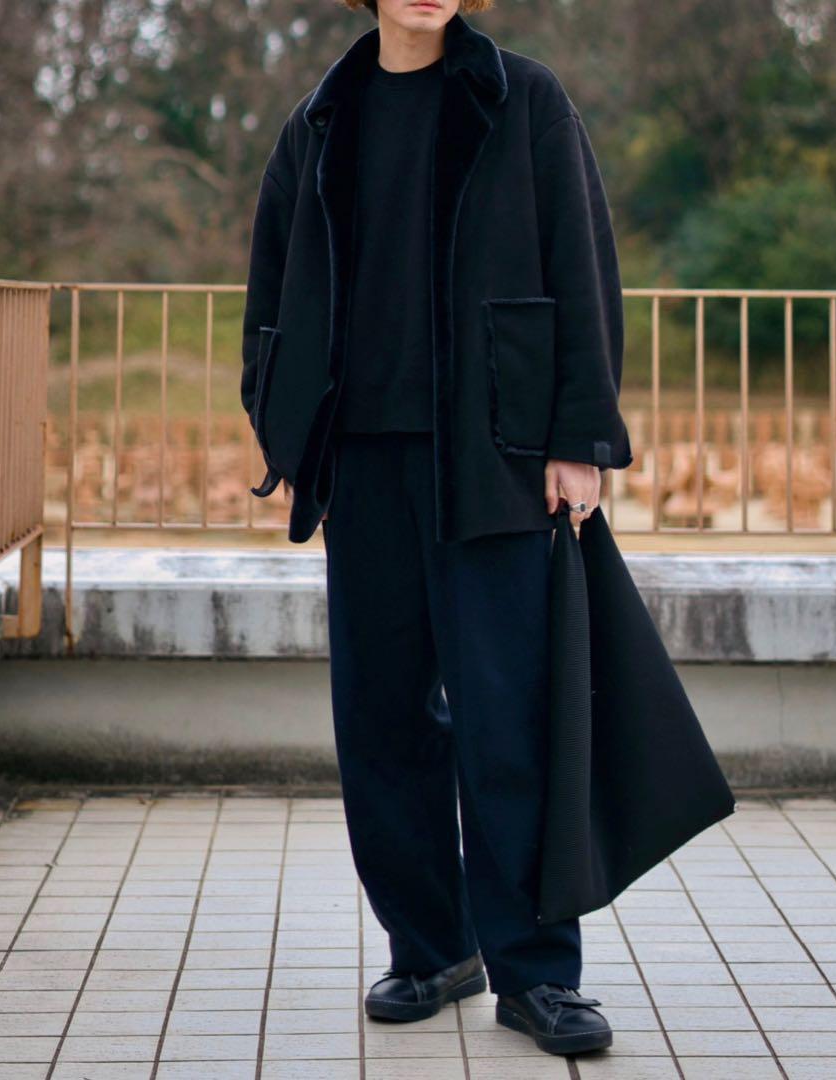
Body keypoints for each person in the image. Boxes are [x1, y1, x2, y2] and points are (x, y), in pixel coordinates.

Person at [241, 0, 632, 1057]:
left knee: (508, 720)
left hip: (493, 457)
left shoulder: (523, 100)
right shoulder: (321, 118)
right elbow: (271, 284)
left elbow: (582, 266)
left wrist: (578, 439)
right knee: (382, 723)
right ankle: (430, 948)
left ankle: (536, 972)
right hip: (362, 462)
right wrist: (282, 420)